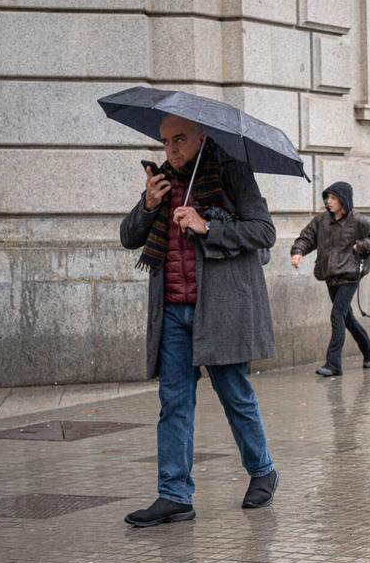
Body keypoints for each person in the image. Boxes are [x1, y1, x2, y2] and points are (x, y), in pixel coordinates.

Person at [119, 116, 279, 527]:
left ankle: (262, 470)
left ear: (201, 138)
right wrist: (148, 204)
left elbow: (263, 231)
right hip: (173, 309)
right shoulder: (162, 182)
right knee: (173, 403)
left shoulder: (230, 172)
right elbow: (129, 237)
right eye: (165, 142)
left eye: (180, 140)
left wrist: (206, 226)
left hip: (219, 308)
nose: (171, 149)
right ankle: (174, 495)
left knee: (234, 394)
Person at [290, 182, 370, 374]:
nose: (329, 201)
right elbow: (306, 238)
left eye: (333, 198)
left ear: (344, 200)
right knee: (347, 317)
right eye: (327, 197)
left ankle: (333, 364)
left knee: (337, 316)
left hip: (349, 275)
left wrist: (362, 246)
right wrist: (298, 252)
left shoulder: (358, 221)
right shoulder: (321, 221)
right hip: (330, 275)